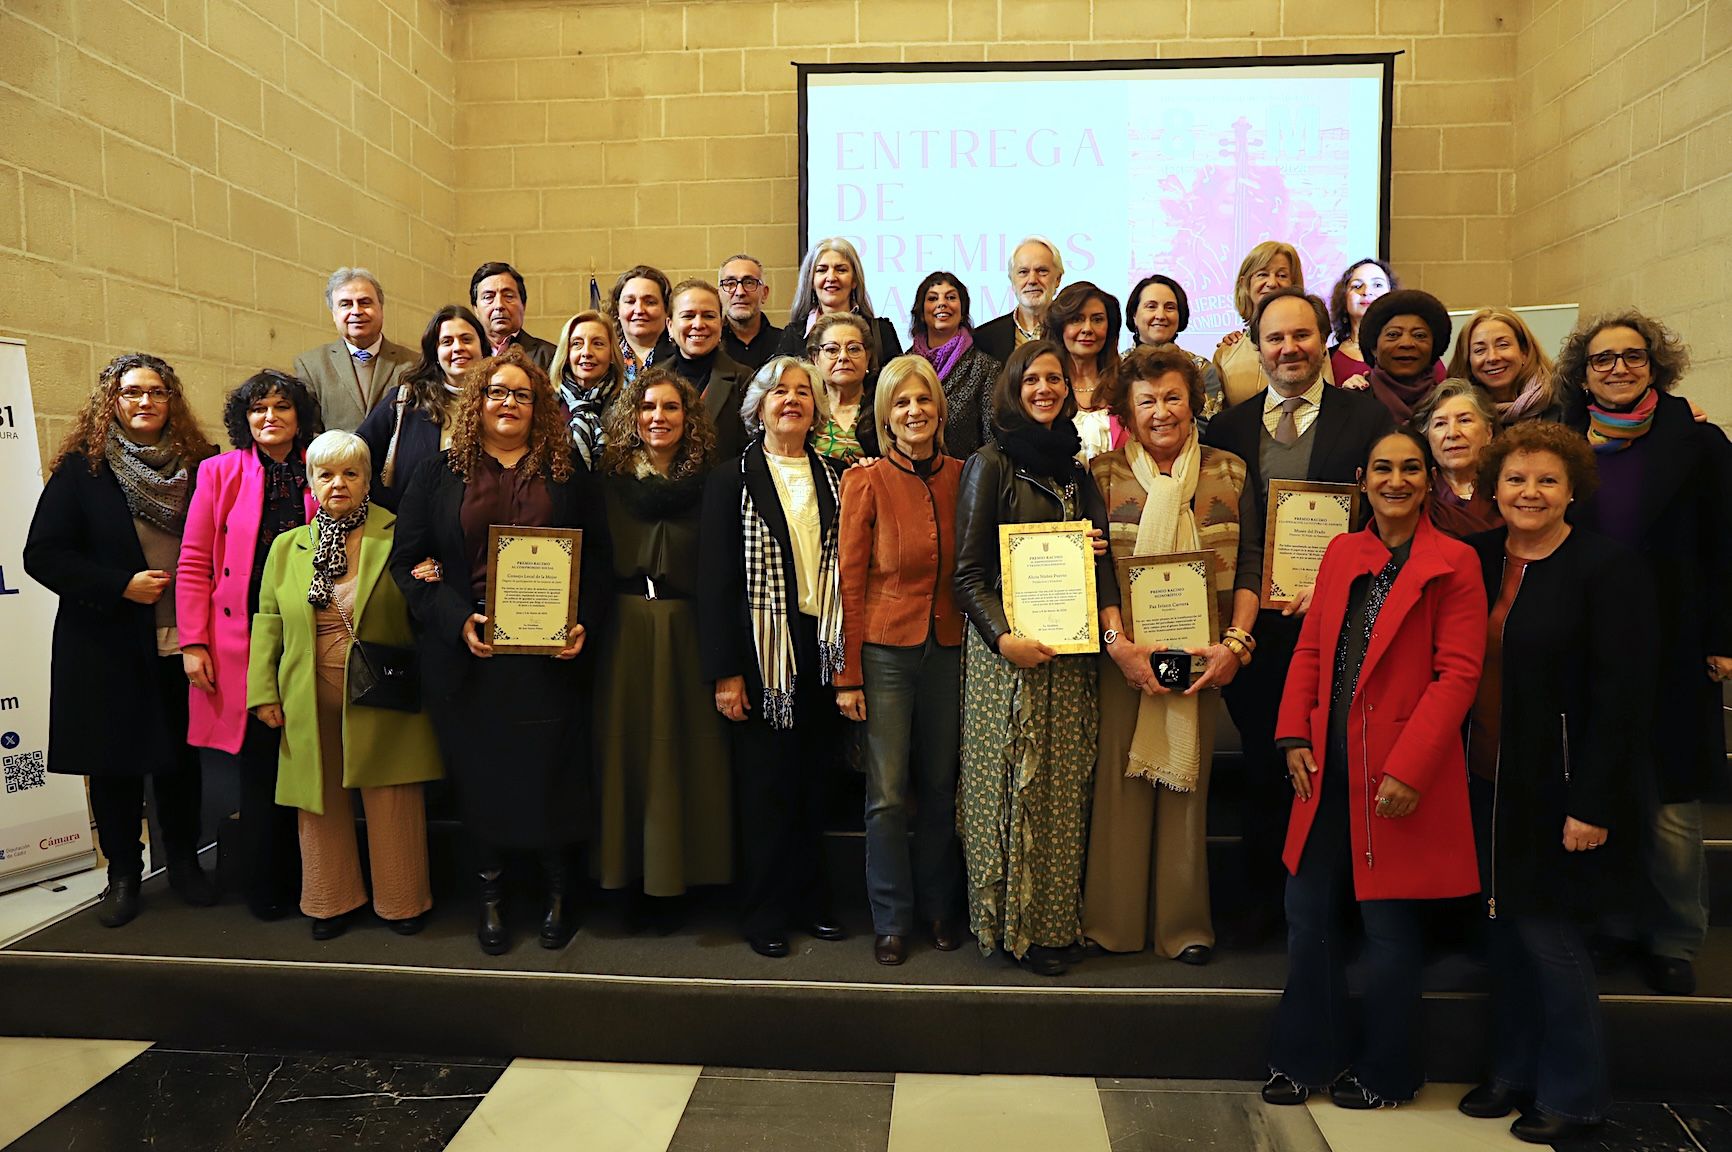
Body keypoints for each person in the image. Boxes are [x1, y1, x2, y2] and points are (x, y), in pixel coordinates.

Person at [1262, 427, 1486, 1110]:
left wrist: (1410, 769)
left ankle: (1389, 1072)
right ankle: (1306, 1058)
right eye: (1383, 469)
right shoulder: (1341, 552)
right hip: (1325, 766)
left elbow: (1458, 677)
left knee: (1389, 928)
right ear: (1364, 479)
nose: (1396, 481)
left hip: (1398, 775)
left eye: (1411, 469)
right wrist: (1292, 735)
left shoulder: (1457, 562)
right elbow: (1311, 652)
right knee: (1308, 914)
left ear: (1429, 479)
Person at [1458, 422, 1652, 1145]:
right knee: (1502, 934)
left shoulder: (1607, 568)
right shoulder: (1473, 559)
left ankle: (1574, 1093)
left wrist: (1593, 804)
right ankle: (1513, 1070)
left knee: (1549, 938)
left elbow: (1624, 698)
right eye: (1515, 479)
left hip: (1560, 787)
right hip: (1483, 778)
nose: (1529, 492)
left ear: (1573, 488)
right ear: (1494, 488)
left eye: (1546, 480)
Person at [390, 346, 599, 954]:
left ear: (540, 408)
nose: (508, 404)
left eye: (522, 395)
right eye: (497, 393)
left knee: (552, 773)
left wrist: (583, 622)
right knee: (481, 779)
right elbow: (407, 563)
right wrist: (458, 621)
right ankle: (491, 896)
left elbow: (601, 555)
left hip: (549, 656)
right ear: (476, 402)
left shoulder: (566, 473)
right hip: (470, 656)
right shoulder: (436, 473)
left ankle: (559, 893)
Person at [1201, 288, 1394, 946]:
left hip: (1343, 629)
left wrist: (1340, 582)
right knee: (1263, 765)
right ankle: (1264, 902)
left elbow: (1390, 516)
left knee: (1335, 766)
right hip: (1257, 632)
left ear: (1324, 340)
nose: (1289, 349)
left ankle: (1335, 909)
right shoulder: (1228, 428)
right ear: (1256, 347)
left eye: (1302, 336)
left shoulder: (1367, 421)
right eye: (1275, 338)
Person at [1559, 311, 1732, 996]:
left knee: (1668, 804)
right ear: (1585, 372)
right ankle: (1614, 925)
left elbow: (1725, 542)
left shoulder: (1699, 441)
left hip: (1674, 641)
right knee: (1599, 787)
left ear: (1654, 365)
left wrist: (1722, 635)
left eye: (1631, 357)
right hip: (1587, 644)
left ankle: (1673, 937)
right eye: (1603, 360)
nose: (1619, 368)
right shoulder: (1565, 441)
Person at [25, 353, 219, 927]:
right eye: (131, 392)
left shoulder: (199, 464)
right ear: (112, 400)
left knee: (181, 761)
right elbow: (43, 555)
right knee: (115, 765)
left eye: (156, 392)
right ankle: (122, 875)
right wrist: (120, 586)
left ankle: (184, 863)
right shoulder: (83, 471)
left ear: (171, 401)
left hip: (182, 638)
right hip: (107, 641)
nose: (144, 402)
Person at [953, 340, 1121, 977]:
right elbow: (967, 576)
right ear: (1013, 389)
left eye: (1055, 379)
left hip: (1071, 655)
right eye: (1033, 379)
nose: (1045, 388)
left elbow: (1098, 564)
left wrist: (1096, 551)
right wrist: (1003, 639)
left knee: (1061, 791)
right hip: (1010, 658)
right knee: (1009, 790)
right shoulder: (990, 463)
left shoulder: (1076, 470)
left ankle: (1052, 924)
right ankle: (1007, 925)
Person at [1081, 345, 1251, 965]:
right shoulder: (1100, 474)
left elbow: (1251, 562)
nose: (1161, 412)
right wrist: (1118, 647)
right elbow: (1093, 571)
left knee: (1187, 785)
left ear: (1194, 402)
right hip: (1126, 651)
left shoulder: (1229, 473)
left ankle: (1183, 927)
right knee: (1121, 785)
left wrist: (1235, 645)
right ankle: (1113, 923)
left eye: (1173, 397)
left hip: (1200, 650)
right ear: (1128, 406)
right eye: (1147, 400)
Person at [247, 431, 440, 939]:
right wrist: (263, 691)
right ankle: (330, 901)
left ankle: (403, 902)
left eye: (351, 474)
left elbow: (427, 601)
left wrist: (432, 574)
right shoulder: (288, 548)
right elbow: (268, 620)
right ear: (310, 482)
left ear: (367, 481)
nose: (338, 484)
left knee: (392, 794)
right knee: (320, 800)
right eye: (326, 474)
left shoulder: (400, 535)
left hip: (385, 688)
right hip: (307, 693)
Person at [697, 355, 848, 958]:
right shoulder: (729, 477)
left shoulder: (837, 476)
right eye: (779, 391)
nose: (792, 400)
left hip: (821, 647)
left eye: (803, 393)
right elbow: (715, 583)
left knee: (815, 784)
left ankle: (811, 902)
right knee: (766, 790)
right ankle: (764, 911)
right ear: (757, 405)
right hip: (761, 656)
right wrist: (726, 672)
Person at [835, 356, 967, 966]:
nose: (914, 412)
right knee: (886, 794)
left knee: (941, 786)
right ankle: (891, 917)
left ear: (940, 410)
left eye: (924, 401)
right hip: (885, 652)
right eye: (901, 403)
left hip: (949, 649)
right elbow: (849, 584)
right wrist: (848, 675)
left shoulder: (965, 475)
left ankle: (940, 907)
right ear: (886, 416)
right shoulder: (866, 480)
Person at [178, 370, 322, 920]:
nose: (270, 418)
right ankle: (266, 886)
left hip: (311, 633)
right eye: (258, 409)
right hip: (243, 640)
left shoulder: (319, 466)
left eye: (282, 408)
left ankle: (320, 882)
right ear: (244, 419)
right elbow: (193, 563)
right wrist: (194, 642)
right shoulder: (218, 473)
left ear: (299, 416)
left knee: (311, 762)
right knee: (260, 769)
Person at [592, 368, 733, 931]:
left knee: (687, 752)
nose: (658, 417)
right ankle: (623, 877)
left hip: (689, 628)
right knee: (625, 753)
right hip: (623, 631)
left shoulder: (715, 483)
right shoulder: (606, 482)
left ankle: (687, 878)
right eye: (647, 407)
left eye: (671, 407)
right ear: (632, 415)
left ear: (688, 417)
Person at [357, 305, 486, 511]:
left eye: (466, 339)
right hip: (410, 527)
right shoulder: (406, 400)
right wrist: (387, 506)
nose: (458, 347)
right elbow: (358, 454)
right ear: (435, 352)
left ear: (483, 348)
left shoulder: (499, 401)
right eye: (447, 342)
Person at [292, 268, 416, 432]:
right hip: (334, 458)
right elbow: (309, 431)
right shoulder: (311, 366)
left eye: (365, 302)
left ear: (381, 308)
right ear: (334, 314)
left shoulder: (414, 364)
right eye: (345, 304)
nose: (356, 311)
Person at [1213, 241, 1326, 409]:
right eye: (1262, 274)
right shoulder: (1226, 353)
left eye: (1282, 275)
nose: (1272, 283)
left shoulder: (1312, 346)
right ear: (1245, 284)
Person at [907, 271, 1001, 459]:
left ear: (962, 310)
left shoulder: (985, 368)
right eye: (933, 298)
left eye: (951, 297)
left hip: (965, 480)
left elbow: (992, 442)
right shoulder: (902, 367)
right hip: (907, 477)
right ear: (921, 312)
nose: (942, 303)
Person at [775, 237, 903, 365]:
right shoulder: (792, 335)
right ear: (811, 281)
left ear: (854, 281)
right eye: (822, 270)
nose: (831, 277)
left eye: (841, 269)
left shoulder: (881, 332)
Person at [666, 279, 751, 459]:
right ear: (670, 325)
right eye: (688, 316)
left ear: (721, 324)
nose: (698, 324)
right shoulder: (653, 379)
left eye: (709, 316)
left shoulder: (746, 380)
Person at [1327, 258, 1440, 388]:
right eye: (1357, 286)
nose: (1366, 292)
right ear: (1343, 298)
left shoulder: (1417, 349)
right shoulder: (1328, 360)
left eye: (1377, 285)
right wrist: (1343, 395)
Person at [1126, 273, 1224, 424]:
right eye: (1151, 307)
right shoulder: (1116, 366)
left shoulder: (1201, 368)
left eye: (1170, 308)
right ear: (1134, 315)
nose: (1161, 315)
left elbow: (1208, 425)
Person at [1046, 282, 1125, 462]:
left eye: (1097, 320)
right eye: (1076, 319)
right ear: (1061, 327)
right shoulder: (1042, 388)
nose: (1087, 329)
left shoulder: (1127, 385)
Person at [1447, 308, 1564, 426]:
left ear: (1524, 352)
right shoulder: (1454, 415)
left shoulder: (1561, 403)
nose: (1492, 357)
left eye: (1503, 345)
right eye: (1480, 350)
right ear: (1468, 361)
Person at [1416, 379, 1501, 537]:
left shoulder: (1508, 489)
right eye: (1440, 424)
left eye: (1464, 420)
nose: (1452, 433)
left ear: (1488, 432)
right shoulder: (1417, 496)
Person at [1357, 289, 1453, 425]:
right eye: (1393, 335)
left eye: (1419, 335)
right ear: (1374, 347)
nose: (1406, 344)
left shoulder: (1450, 402)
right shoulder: (1351, 403)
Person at [548, 309, 623, 472]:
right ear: (566, 354)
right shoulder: (546, 404)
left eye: (598, 343)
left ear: (611, 353)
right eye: (577, 344)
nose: (587, 352)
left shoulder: (627, 405)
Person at [974, 235, 1065, 363]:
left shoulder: (1071, 333)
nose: (1032, 280)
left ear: (1058, 279)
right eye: (1023, 272)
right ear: (1012, 279)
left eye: (1042, 271)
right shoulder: (984, 338)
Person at [807, 312, 878, 463]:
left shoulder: (883, 408)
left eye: (853, 349)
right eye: (832, 350)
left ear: (868, 357)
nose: (843, 357)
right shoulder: (808, 410)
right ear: (815, 359)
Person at [469, 262, 555, 370]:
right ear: (475, 309)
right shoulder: (465, 356)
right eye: (488, 297)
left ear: (523, 305)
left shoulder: (550, 357)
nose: (499, 305)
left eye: (508, 296)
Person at [608, 264, 676, 385]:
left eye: (650, 302)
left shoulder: (681, 357)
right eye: (630, 301)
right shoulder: (606, 357)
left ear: (666, 309)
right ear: (617, 309)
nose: (639, 310)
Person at [718, 253, 783, 371]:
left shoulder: (784, 344)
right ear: (719, 294)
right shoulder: (710, 345)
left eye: (749, 282)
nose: (739, 292)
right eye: (730, 283)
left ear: (764, 293)